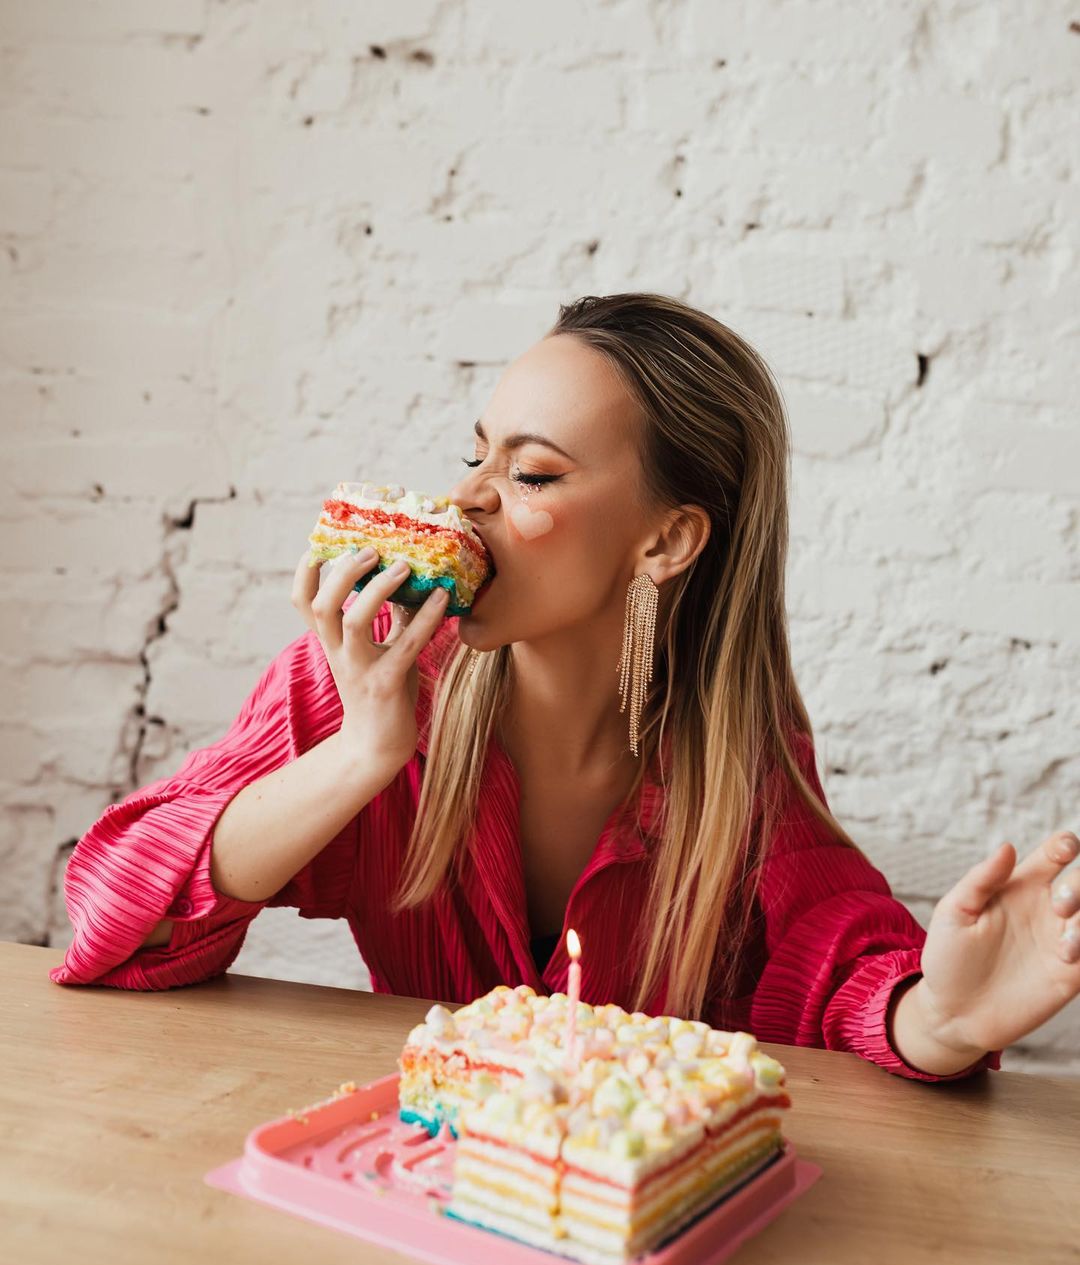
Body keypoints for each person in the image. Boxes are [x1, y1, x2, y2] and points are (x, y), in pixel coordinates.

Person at [50, 293, 1080, 1083]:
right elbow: (112, 921)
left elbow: (839, 961)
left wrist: (939, 1019)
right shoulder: (372, 674)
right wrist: (364, 754)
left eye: (533, 474)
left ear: (667, 538)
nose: (465, 498)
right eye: (474, 454)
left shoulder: (731, 742)